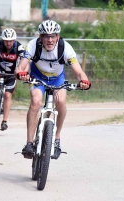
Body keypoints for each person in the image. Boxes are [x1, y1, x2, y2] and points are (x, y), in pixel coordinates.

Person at [16, 20, 91, 159]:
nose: (50, 40)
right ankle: (29, 143)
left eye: (53, 36)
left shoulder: (66, 48)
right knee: (36, 102)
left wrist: (84, 81)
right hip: (37, 76)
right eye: (46, 36)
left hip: (57, 78)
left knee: (61, 102)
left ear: (58, 36)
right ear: (40, 37)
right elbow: (22, 65)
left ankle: (56, 139)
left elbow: (79, 72)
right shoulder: (33, 45)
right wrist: (21, 73)